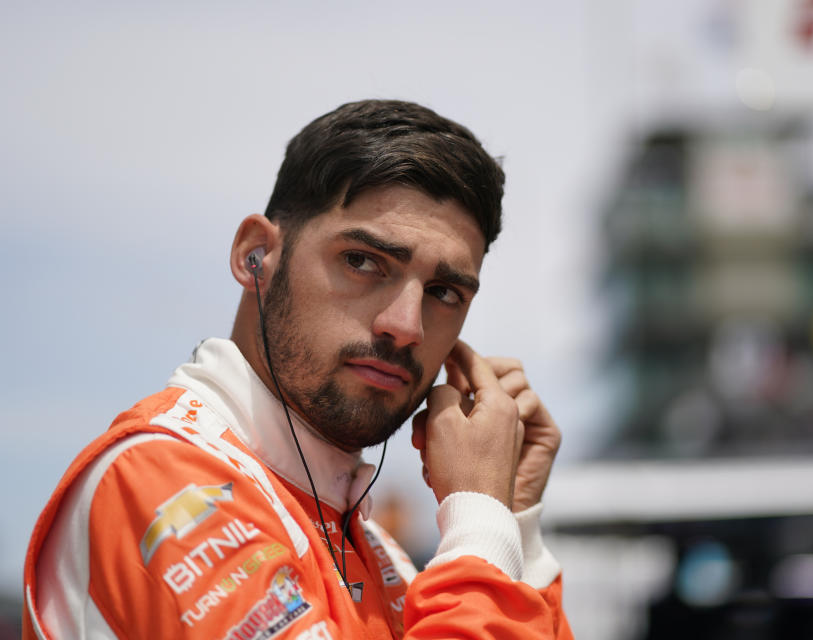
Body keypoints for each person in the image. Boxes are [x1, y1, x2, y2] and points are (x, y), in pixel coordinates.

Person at [22, 99, 572, 639]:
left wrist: (513, 524)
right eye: (362, 261)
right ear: (255, 254)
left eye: (443, 292)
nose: (406, 325)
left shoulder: (385, 557)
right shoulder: (157, 483)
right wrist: (477, 518)